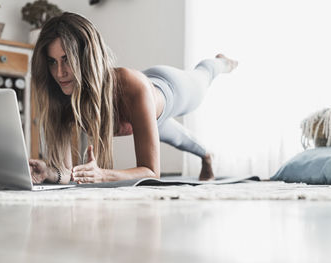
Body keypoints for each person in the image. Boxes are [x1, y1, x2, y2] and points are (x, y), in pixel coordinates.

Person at [29, 12, 238, 185]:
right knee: (178, 138)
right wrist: (50, 173)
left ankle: (221, 62)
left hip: (171, 89)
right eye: (52, 62)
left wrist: (103, 174)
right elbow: (67, 174)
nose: (59, 73)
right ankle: (207, 156)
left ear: (85, 57)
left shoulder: (131, 87)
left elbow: (150, 172)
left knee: (202, 77)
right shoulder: (63, 99)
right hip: (143, 111)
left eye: (66, 60)